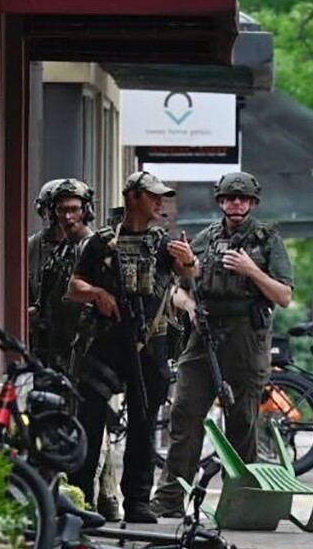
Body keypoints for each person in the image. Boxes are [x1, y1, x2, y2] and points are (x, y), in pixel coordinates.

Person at [150, 170, 294, 518]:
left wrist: (252, 271)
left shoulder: (267, 241)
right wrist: (190, 306)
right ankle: (170, 496)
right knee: (184, 412)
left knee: (241, 418)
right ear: (220, 202)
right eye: (230, 198)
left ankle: (243, 498)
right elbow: (178, 289)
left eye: (242, 198)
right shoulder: (205, 238)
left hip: (246, 337)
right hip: (205, 334)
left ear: (253, 203)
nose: (236, 204)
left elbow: (285, 296)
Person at [68, 170, 199, 523]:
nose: (160, 202)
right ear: (132, 197)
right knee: (90, 422)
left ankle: (137, 501)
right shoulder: (100, 243)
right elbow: (74, 286)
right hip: (106, 345)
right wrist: (98, 294)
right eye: (153, 196)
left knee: (144, 423)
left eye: (162, 197)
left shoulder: (162, 243)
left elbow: (191, 272)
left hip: (150, 346)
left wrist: (187, 259)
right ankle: (82, 500)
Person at [27, 178, 97, 375]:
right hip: (51, 344)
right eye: (60, 210)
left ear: (85, 211)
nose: (67, 217)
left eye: (73, 209)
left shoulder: (94, 246)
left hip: (82, 345)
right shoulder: (54, 249)